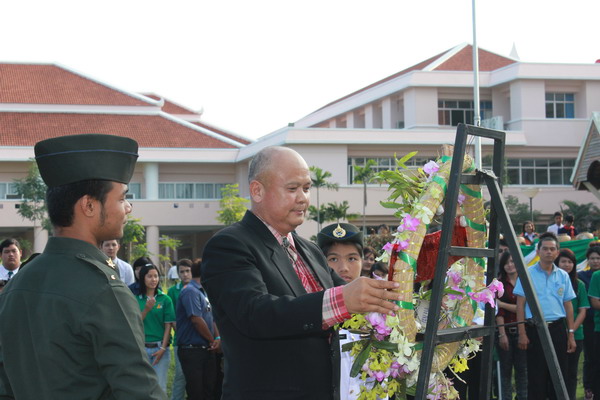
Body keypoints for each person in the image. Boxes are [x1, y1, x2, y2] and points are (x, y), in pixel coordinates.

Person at [201, 146, 401, 399]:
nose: (303, 198)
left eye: (306, 188)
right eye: (292, 188)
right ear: (257, 190)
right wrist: (342, 300)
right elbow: (256, 314)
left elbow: (351, 302)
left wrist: (392, 296)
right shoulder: (229, 245)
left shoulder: (310, 250)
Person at [0, 134, 166, 399]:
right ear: (89, 205)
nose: (128, 208)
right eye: (121, 198)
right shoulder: (105, 291)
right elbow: (140, 393)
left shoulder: (16, 286)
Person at [514, 232, 576, 400]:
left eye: (552, 249)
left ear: (557, 252)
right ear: (538, 251)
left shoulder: (563, 275)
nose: (549, 252)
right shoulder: (527, 274)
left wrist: (570, 334)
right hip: (535, 329)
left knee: (559, 374)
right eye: (545, 249)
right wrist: (522, 333)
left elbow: (568, 305)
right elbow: (520, 305)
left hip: (558, 328)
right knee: (536, 376)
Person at [177, 259, 219, 400]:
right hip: (192, 350)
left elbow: (211, 318)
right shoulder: (190, 291)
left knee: (209, 391)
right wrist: (212, 340)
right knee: (196, 393)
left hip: (206, 349)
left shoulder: (203, 292)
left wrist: (217, 338)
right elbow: (196, 319)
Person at [555, 248, 588, 400]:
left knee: (571, 372)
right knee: (556, 371)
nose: (567, 265)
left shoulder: (579, 284)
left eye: (570, 262)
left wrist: (571, 331)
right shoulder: (553, 282)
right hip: (555, 331)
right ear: (557, 263)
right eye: (563, 261)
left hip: (576, 334)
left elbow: (582, 311)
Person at [137, 263, 175, 393]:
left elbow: (168, 325)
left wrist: (163, 348)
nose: (153, 279)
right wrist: (146, 309)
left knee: (160, 388)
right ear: (143, 278)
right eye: (149, 276)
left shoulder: (165, 299)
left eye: (156, 276)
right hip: (141, 349)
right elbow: (135, 323)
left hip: (160, 348)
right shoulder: (135, 299)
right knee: (143, 389)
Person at [495, 251, 528, 400]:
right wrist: (502, 334)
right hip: (505, 331)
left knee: (523, 369)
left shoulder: (525, 281)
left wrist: (503, 304)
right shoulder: (499, 284)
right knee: (505, 370)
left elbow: (525, 309)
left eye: (513, 262)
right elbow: (498, 312)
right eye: (506, 263)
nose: (510, 265)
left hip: (523, 331)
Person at [167, 258, 193, 400]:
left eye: (188, 271)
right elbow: (172, 318)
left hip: (200, 340)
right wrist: (183, 334)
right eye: (182, 272)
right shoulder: (173, 291)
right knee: (180, 376)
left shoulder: (199, 288)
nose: (185, 274)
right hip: (181, 340)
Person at [579, 246, 600, 399]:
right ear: (588, 260)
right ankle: (589, 388)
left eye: (598, 258)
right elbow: (593, 302)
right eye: (592, 258)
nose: (595, 261)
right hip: (589, 322)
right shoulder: (582, 276)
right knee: (591, 357)